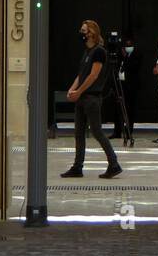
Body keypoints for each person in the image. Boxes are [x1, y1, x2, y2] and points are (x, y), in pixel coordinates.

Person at [60, 19, 122, 179]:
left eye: (83, 31)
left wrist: (79, 91)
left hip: (92, 98)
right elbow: (82, 75)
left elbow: (93, 75)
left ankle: (114, 164)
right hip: (82, 97)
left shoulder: (99, 52)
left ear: (91, 33)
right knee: (79, 133)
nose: (81, 34)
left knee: (97, 131)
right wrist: (72, 89)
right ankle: (77, 166)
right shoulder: (87, 52)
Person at [112, 33, 140, 143]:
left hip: (131, 86)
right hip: (120, 85)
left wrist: (126, 58)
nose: (128, 47)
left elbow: (134, 67)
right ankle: (117, 131)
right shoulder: (120, 54)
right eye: (126, 45)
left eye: (130, 45)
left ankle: (129, 132)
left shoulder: (137, 55)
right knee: (117, 108)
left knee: (129, 110)